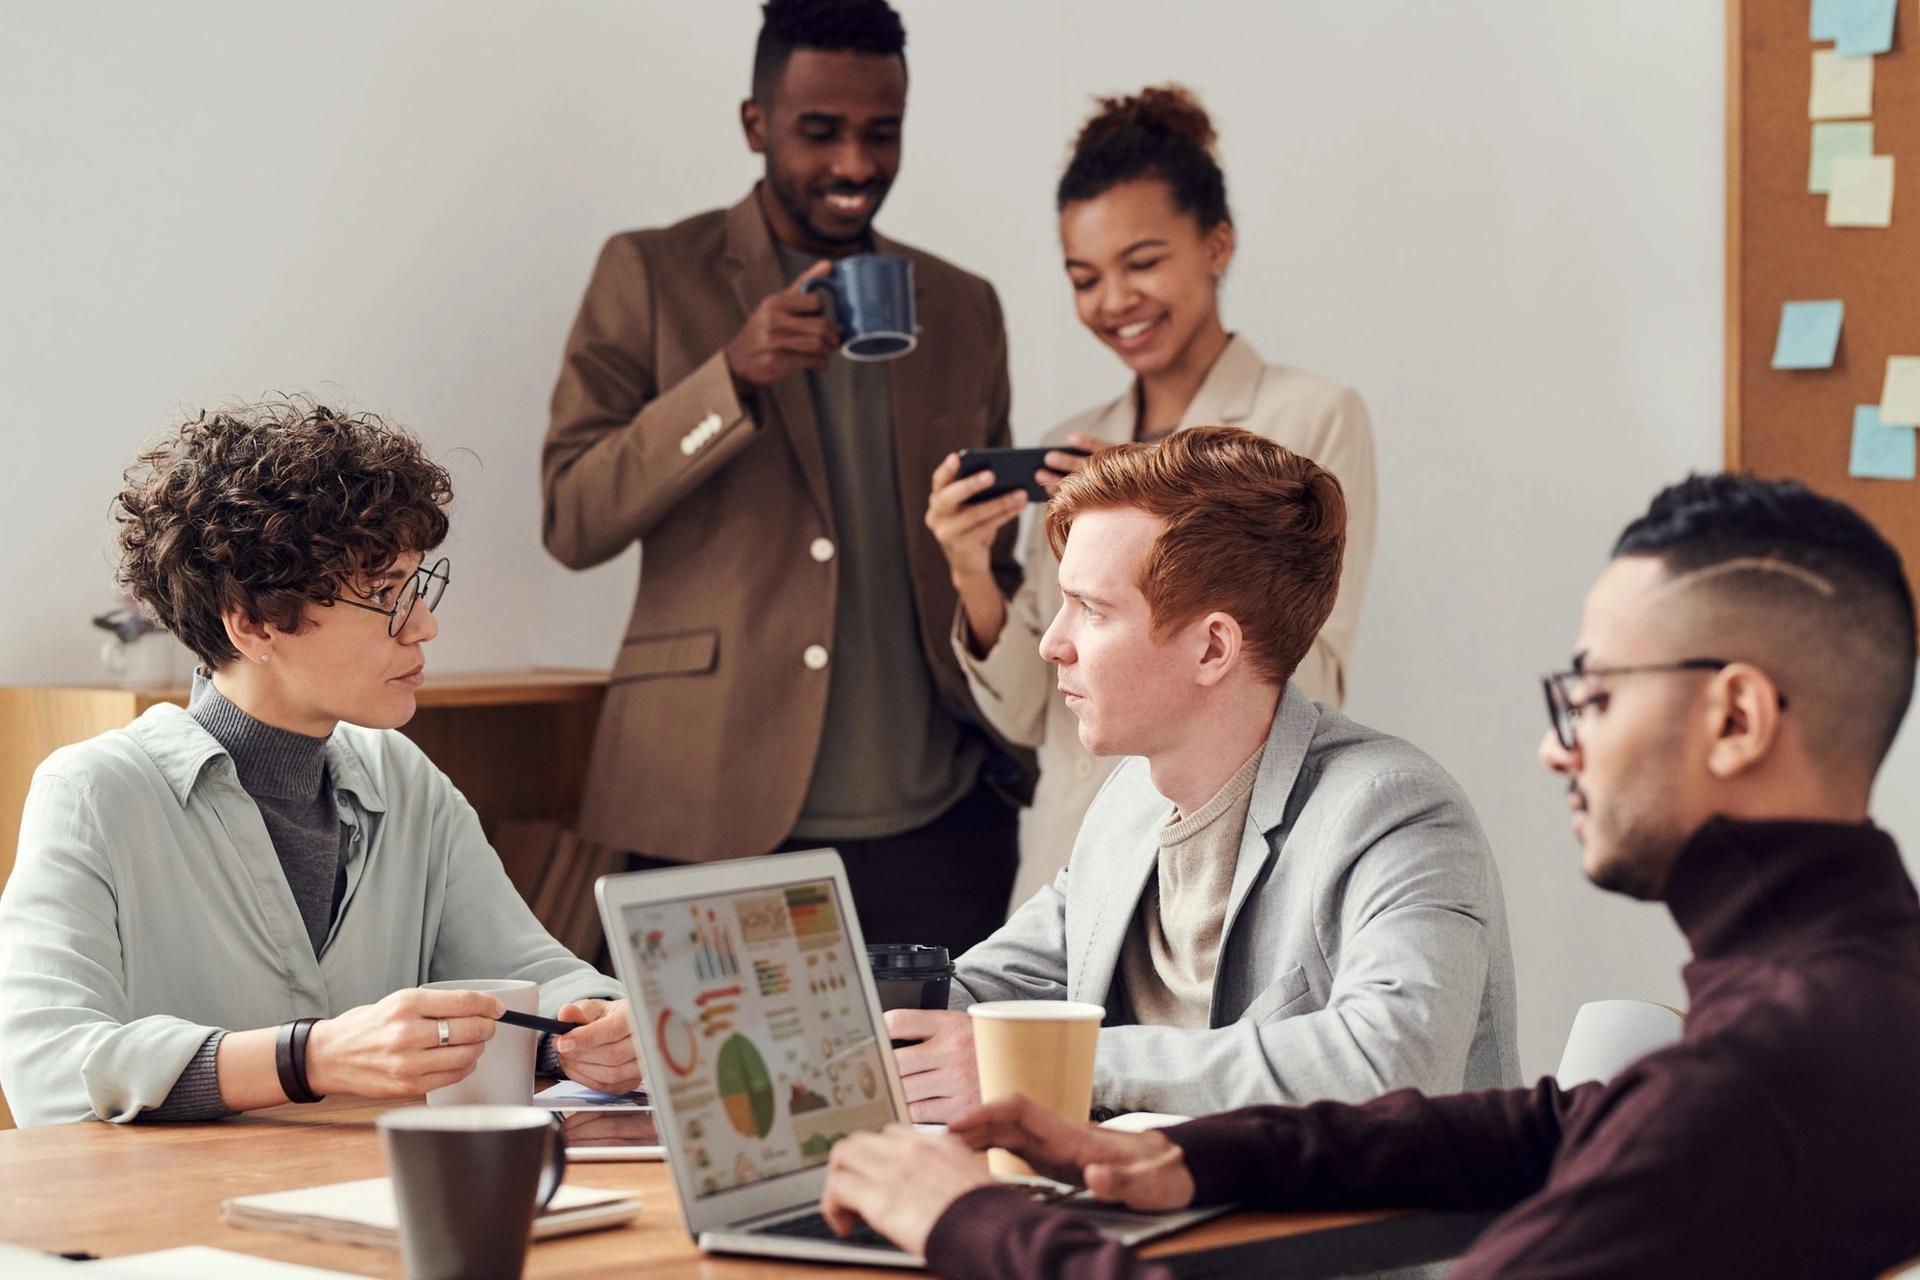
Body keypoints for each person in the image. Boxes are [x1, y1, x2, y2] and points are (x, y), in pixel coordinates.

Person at [824, 473, 1920, 1279]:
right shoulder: (1851, 999)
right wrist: (1186, 1151)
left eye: (1590, 696)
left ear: (1734, 715)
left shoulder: (1751, 1081)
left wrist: (973, 1222)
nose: (1557, 746)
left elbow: (1484, 1083)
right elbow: (1556, 1120)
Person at [541, 0, 1029, 956]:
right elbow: (573, 516)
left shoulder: (965, 307)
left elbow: (987, 552)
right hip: (710, 806)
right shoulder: (651, 273)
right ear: (755, 125)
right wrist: (728, 378)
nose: (855, 165)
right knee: (710, 1108)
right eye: (821, 131)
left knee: (937, 1105)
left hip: (941, 820)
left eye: (881, 133)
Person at [0, 401, 641, 1127]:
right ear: (253, 621)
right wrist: (311, 1058)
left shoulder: (404, 779)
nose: (424, 625)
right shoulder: (94, 792)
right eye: (383, 596)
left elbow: (535, 974)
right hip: (181, 1225)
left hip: (377, 1202)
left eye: (416, 588)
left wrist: (598, 1029)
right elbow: (48, 1070)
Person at [890, 428, 1516, 1122]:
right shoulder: (1130, 801)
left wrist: (1053, 1068)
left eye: (1093, 610)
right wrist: (828, 1000)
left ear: (1213, 646)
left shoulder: (1393, 812)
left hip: (1365, 1229)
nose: (1051, 642)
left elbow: (1397, 1060)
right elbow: (985, 989)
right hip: (1154, 1214)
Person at [927, 85, 1377, 908]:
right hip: (1065, 869)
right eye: (1084, 277)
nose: (1114, 302)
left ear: (1217, 244)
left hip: (1222, 868)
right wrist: (968, 569)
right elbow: (1035, 716)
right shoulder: (1074, 440)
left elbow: (1315, 680)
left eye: (1142, 263)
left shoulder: (1310, 415)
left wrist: (1159, 502)